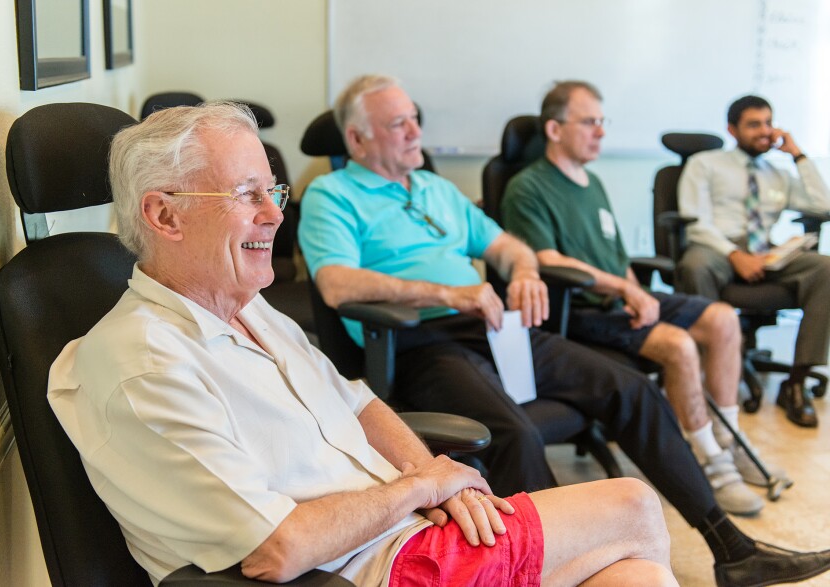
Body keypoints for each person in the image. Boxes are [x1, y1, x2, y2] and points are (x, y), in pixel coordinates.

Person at [47, 101, 679, 586]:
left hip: (401, 535)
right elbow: (276, 549)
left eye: (272, 190)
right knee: (633, 508)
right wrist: (418, 489)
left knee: (630, 573)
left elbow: (356, 402)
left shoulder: (249, 308)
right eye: (246, 195)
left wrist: (435, 474)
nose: (274, 214)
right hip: (366, 571)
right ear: (165, 216)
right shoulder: (144, 367)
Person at [298, 74, 830, 587]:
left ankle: (734, 551)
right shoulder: (333, 194)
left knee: (632, 388)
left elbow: (506, 245)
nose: (416, 131)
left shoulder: (435, 188)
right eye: (398, 124)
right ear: (357, 138)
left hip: (491, 326)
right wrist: (448, 293)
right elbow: (337, 283)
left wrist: (525, 272)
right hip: (417, 340)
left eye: (415, 118)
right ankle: (568, 568)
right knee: (516, 434)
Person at [500, 80, 786, 517]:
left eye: (602, 121)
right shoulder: (528, 187)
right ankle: (710, 464)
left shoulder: (591, 181)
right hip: (577, 309)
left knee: (723, 319)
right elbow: (545, 259)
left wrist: (636, 289)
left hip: (617, 298)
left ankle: (729, 444)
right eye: (590, 122)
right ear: (555, 129)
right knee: (678, 345)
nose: (600, 132)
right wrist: (625, 290)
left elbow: (616, 257)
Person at [676, 94, 830, 428]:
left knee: (825, 268)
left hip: (766, 250)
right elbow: (695, 221)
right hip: (717, 247)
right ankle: (705, 374)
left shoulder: (777, 173)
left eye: (768, 123)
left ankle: (796, 383)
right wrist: (734, 254)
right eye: (754, 124)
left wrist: (799, 156)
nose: (764, 131)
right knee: (694, 265)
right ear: (732, 129)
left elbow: (823, 205)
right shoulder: (705, 163)